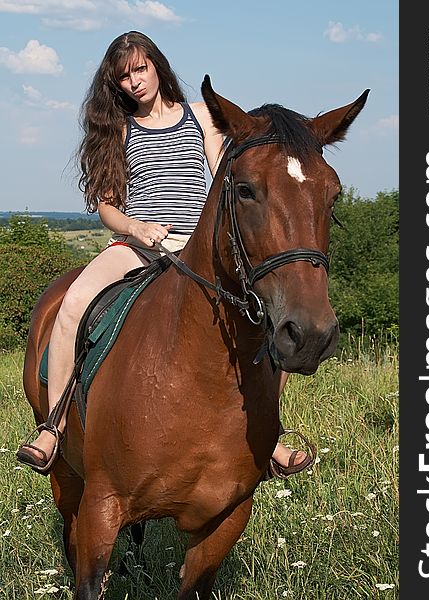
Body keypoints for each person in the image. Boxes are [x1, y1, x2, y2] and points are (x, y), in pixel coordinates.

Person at [16, 31, 313, 479]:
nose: (134, 81)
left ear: (156, 65)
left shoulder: (200, 118)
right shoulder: (118, 129)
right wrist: (137, 228)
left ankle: (267, 434)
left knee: (270, 317)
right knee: (74, 303)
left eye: (140, 69)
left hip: (198, 249)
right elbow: (108, 207)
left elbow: (224, 180)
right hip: (138, 247)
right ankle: (53, 427)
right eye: (123, 76)